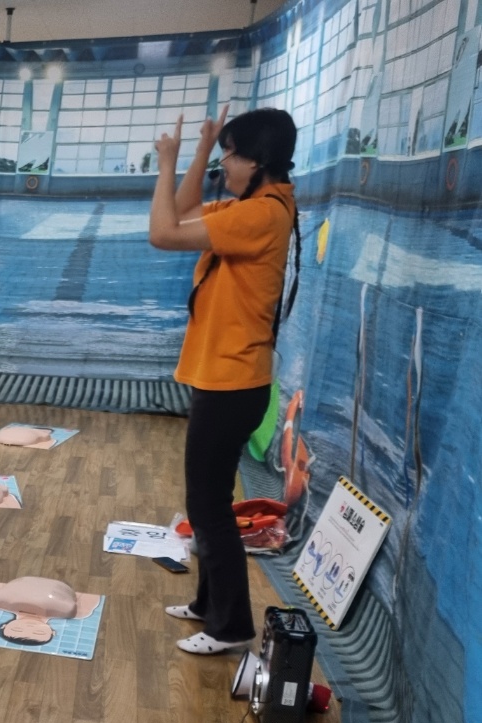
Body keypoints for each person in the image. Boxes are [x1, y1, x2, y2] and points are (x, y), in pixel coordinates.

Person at [148, 107, 301, 655]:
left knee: (208, 502)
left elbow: (163, 231)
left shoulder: (259, 215)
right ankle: (209, 604)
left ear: (257, 161)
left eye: (230, 155)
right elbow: (185, 209)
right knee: (206, 498)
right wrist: (199, 149)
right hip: (229, 376)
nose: (224, 166)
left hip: (233, 382)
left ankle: (231, 625)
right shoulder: (257, 206)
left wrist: (165, 161)